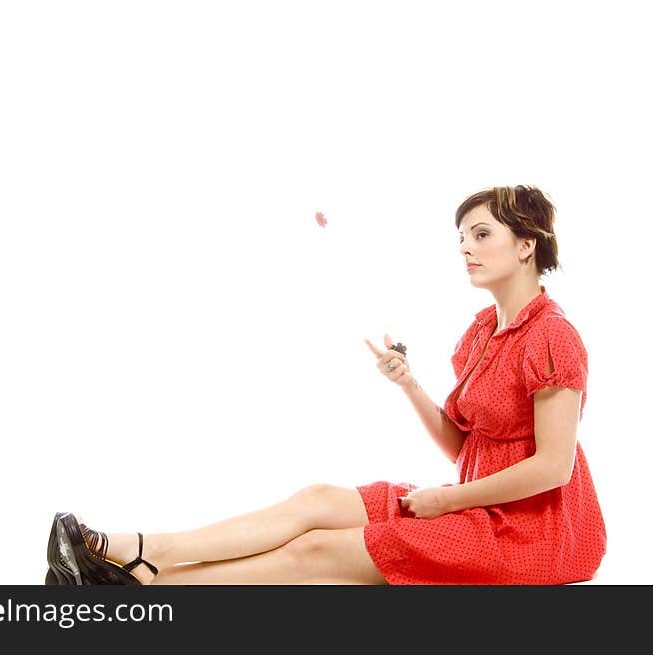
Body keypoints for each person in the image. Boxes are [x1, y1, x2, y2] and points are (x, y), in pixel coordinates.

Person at [45, 185, 607, 585]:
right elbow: (466, 448)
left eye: (482, 234)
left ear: (527, 244)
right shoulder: (484, 332)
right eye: (461, 236)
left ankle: (144, 590)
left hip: (539, 533)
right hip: (477, 505)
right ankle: (141, 551)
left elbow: (552, 467)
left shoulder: (552, 336)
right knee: (315, 500)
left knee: (315, 549)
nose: (465, 247)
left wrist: (447, 501)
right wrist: (411, 387)